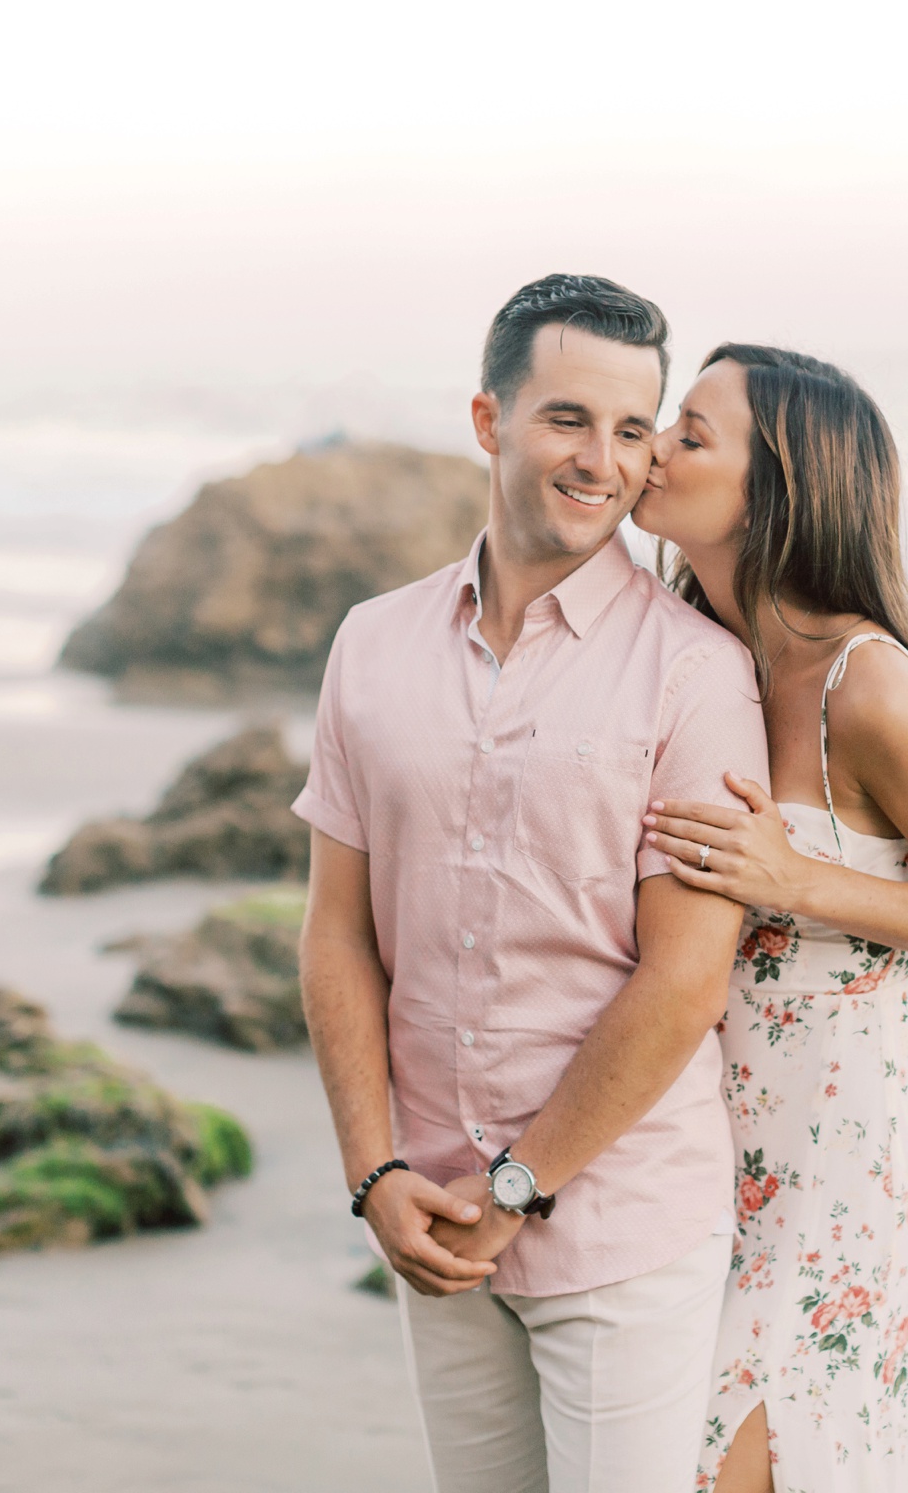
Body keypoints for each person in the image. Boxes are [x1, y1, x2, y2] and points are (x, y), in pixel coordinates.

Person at [292, 275, 770, 1493]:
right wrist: (373, 1174)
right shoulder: (370, 644)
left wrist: (518, 1187)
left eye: (631, 430)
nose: (601, 461)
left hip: (621, 1232)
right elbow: (337, 934)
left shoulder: (697, 675)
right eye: (567, 418)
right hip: (434, 1219)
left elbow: (685, 979)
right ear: (487, 420)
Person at [631, 345, 908, 1492]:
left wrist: (797, 880)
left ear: (777, 489)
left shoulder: (868, 685)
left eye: (690, 434)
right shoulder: (684, 656)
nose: (652, 449)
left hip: (830, 1159)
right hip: (685, 1144)